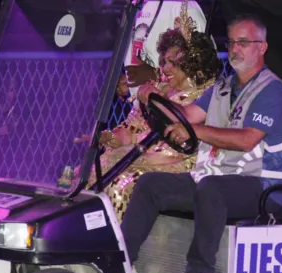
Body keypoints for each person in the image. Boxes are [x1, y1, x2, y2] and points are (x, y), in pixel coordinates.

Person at [121, 14, 282, 273]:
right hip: (217, 176)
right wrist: (151, 97)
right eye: (231, 42)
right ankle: (121, 265)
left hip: (265, 184)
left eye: (243, 42)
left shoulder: (273, 91)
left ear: (262, 47)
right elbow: (185, 116)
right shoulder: (223, 87)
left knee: (212, 190)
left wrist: (192, 129)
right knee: (149, 184)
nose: (235, 48)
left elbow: (246, 140)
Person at [85, 6, 220, 222]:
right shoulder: (157, 87)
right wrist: (106, 138)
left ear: (191, 64)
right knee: (90, 173)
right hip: (138, 156)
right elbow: (131, 129)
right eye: (164, 61)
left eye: (173, 64)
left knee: (119, 185)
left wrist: (155, 98)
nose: (165, 69)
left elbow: (186, 138)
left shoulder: (203, 95)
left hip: (176, 164)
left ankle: (119, 249)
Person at [121, 0, 207, 97]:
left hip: (176, 108)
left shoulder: (183, 7)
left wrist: (155, 76)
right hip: (145, 107)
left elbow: (204, 74)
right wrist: (127, 79)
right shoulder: (131, 8)